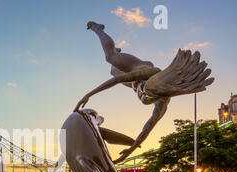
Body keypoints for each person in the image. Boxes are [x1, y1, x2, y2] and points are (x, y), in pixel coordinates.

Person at [75, 21, 214, 164]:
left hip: (133, 84)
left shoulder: (162, 103)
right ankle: (98, 29)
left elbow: (147, 128)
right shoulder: (149, 72)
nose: (144, 94)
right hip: (134, 67)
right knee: (110, 57)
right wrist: (88, 95)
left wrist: (130, 150)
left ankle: (117, 50)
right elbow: (117, 81)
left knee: (112, 71)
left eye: (147, 94)